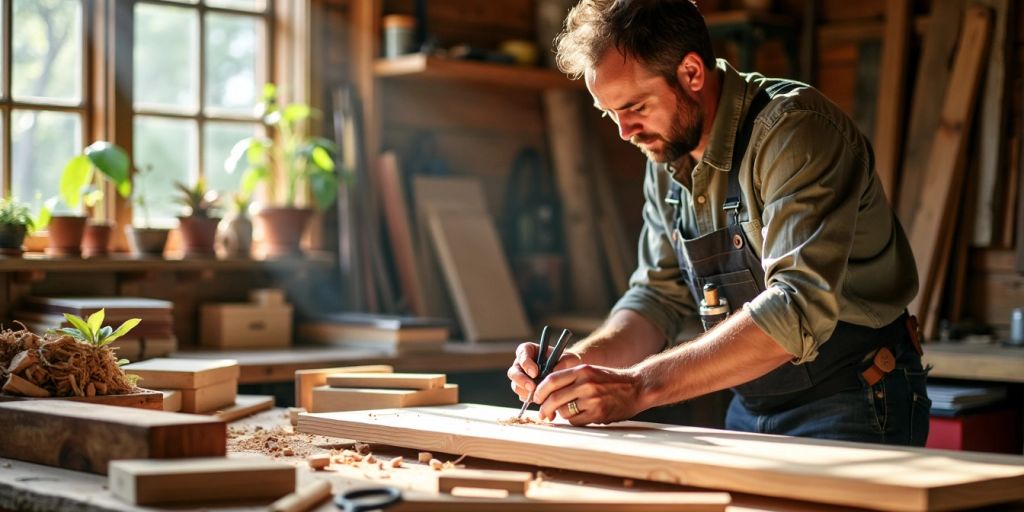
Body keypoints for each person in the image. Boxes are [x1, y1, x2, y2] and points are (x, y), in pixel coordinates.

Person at [507, 0, 931, 446]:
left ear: (691, 73)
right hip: (750, 405)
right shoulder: (666, 148)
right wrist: (580, 362)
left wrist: (636, 387)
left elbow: (795, 309)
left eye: (635, 107)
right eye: (609, 113)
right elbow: (657, 297)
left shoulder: (795, 132)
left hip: (854, 398)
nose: (624, 132)